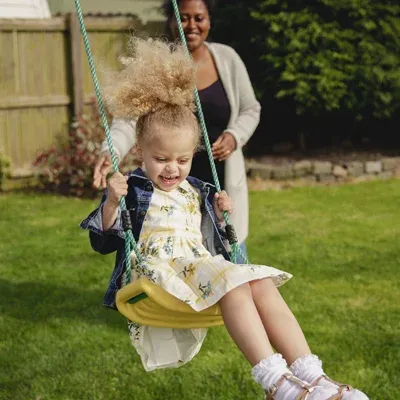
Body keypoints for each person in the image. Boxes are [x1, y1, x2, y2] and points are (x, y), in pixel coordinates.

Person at [81, 38, 368, 400]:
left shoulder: (196, 190)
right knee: (233, 282)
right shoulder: (135, 188)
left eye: (182, 160)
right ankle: (277, 385)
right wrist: (111, 202)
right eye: (162, 159)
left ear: (192, 156)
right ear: (141, 152)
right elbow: (103, 239)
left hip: (196, 267)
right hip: (160, 274)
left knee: (260, 281)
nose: (173, 168)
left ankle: (314, 377)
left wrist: (217, 214)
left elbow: (211, 239)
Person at [93, 0, 261, 259]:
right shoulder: (159, 65)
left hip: (219, 179)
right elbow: (128, 119)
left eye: (199, 17)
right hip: (169, 181)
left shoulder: (227, 59)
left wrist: (234, 136)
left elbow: (250, 109)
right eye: (183, 17)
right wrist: (110, 151)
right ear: (171, 20)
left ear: (209, 21)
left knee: (231, 254)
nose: (191, 25)